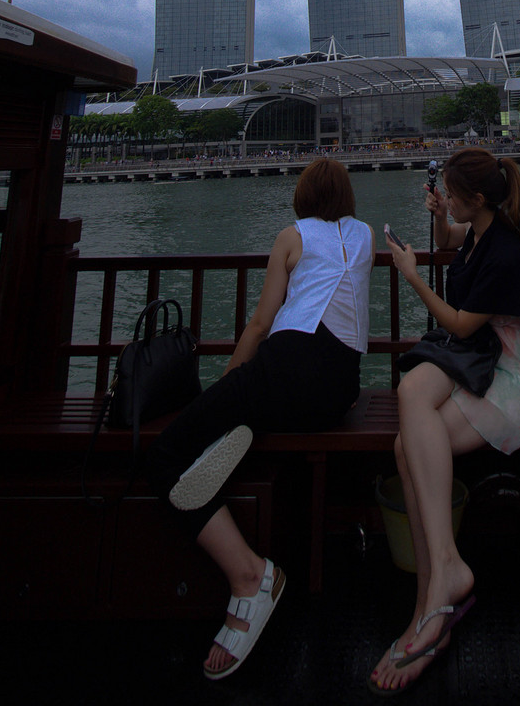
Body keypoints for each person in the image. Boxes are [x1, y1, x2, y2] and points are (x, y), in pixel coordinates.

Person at [369, 148, 520, 695]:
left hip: (510, 373)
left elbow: (451, 318)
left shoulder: (507, 251)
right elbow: (453, 242)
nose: (445, 200)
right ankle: (436, 593)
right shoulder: (481, 226)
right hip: (473, 354)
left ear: (475, 199)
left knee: (410, 449)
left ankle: (435, 599)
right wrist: (436, 219)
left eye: (449, 194)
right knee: (411, 401)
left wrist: (410, 274)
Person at [146, 158, 374, 680]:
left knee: (166, 456)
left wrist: (228, 383)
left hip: (284, 372)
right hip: (339, 390)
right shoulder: (364, 237)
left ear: (302, 196)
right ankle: (234, 426)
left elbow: (260, 322)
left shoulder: (291, 236)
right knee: (243, 412)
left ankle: (251, 575)